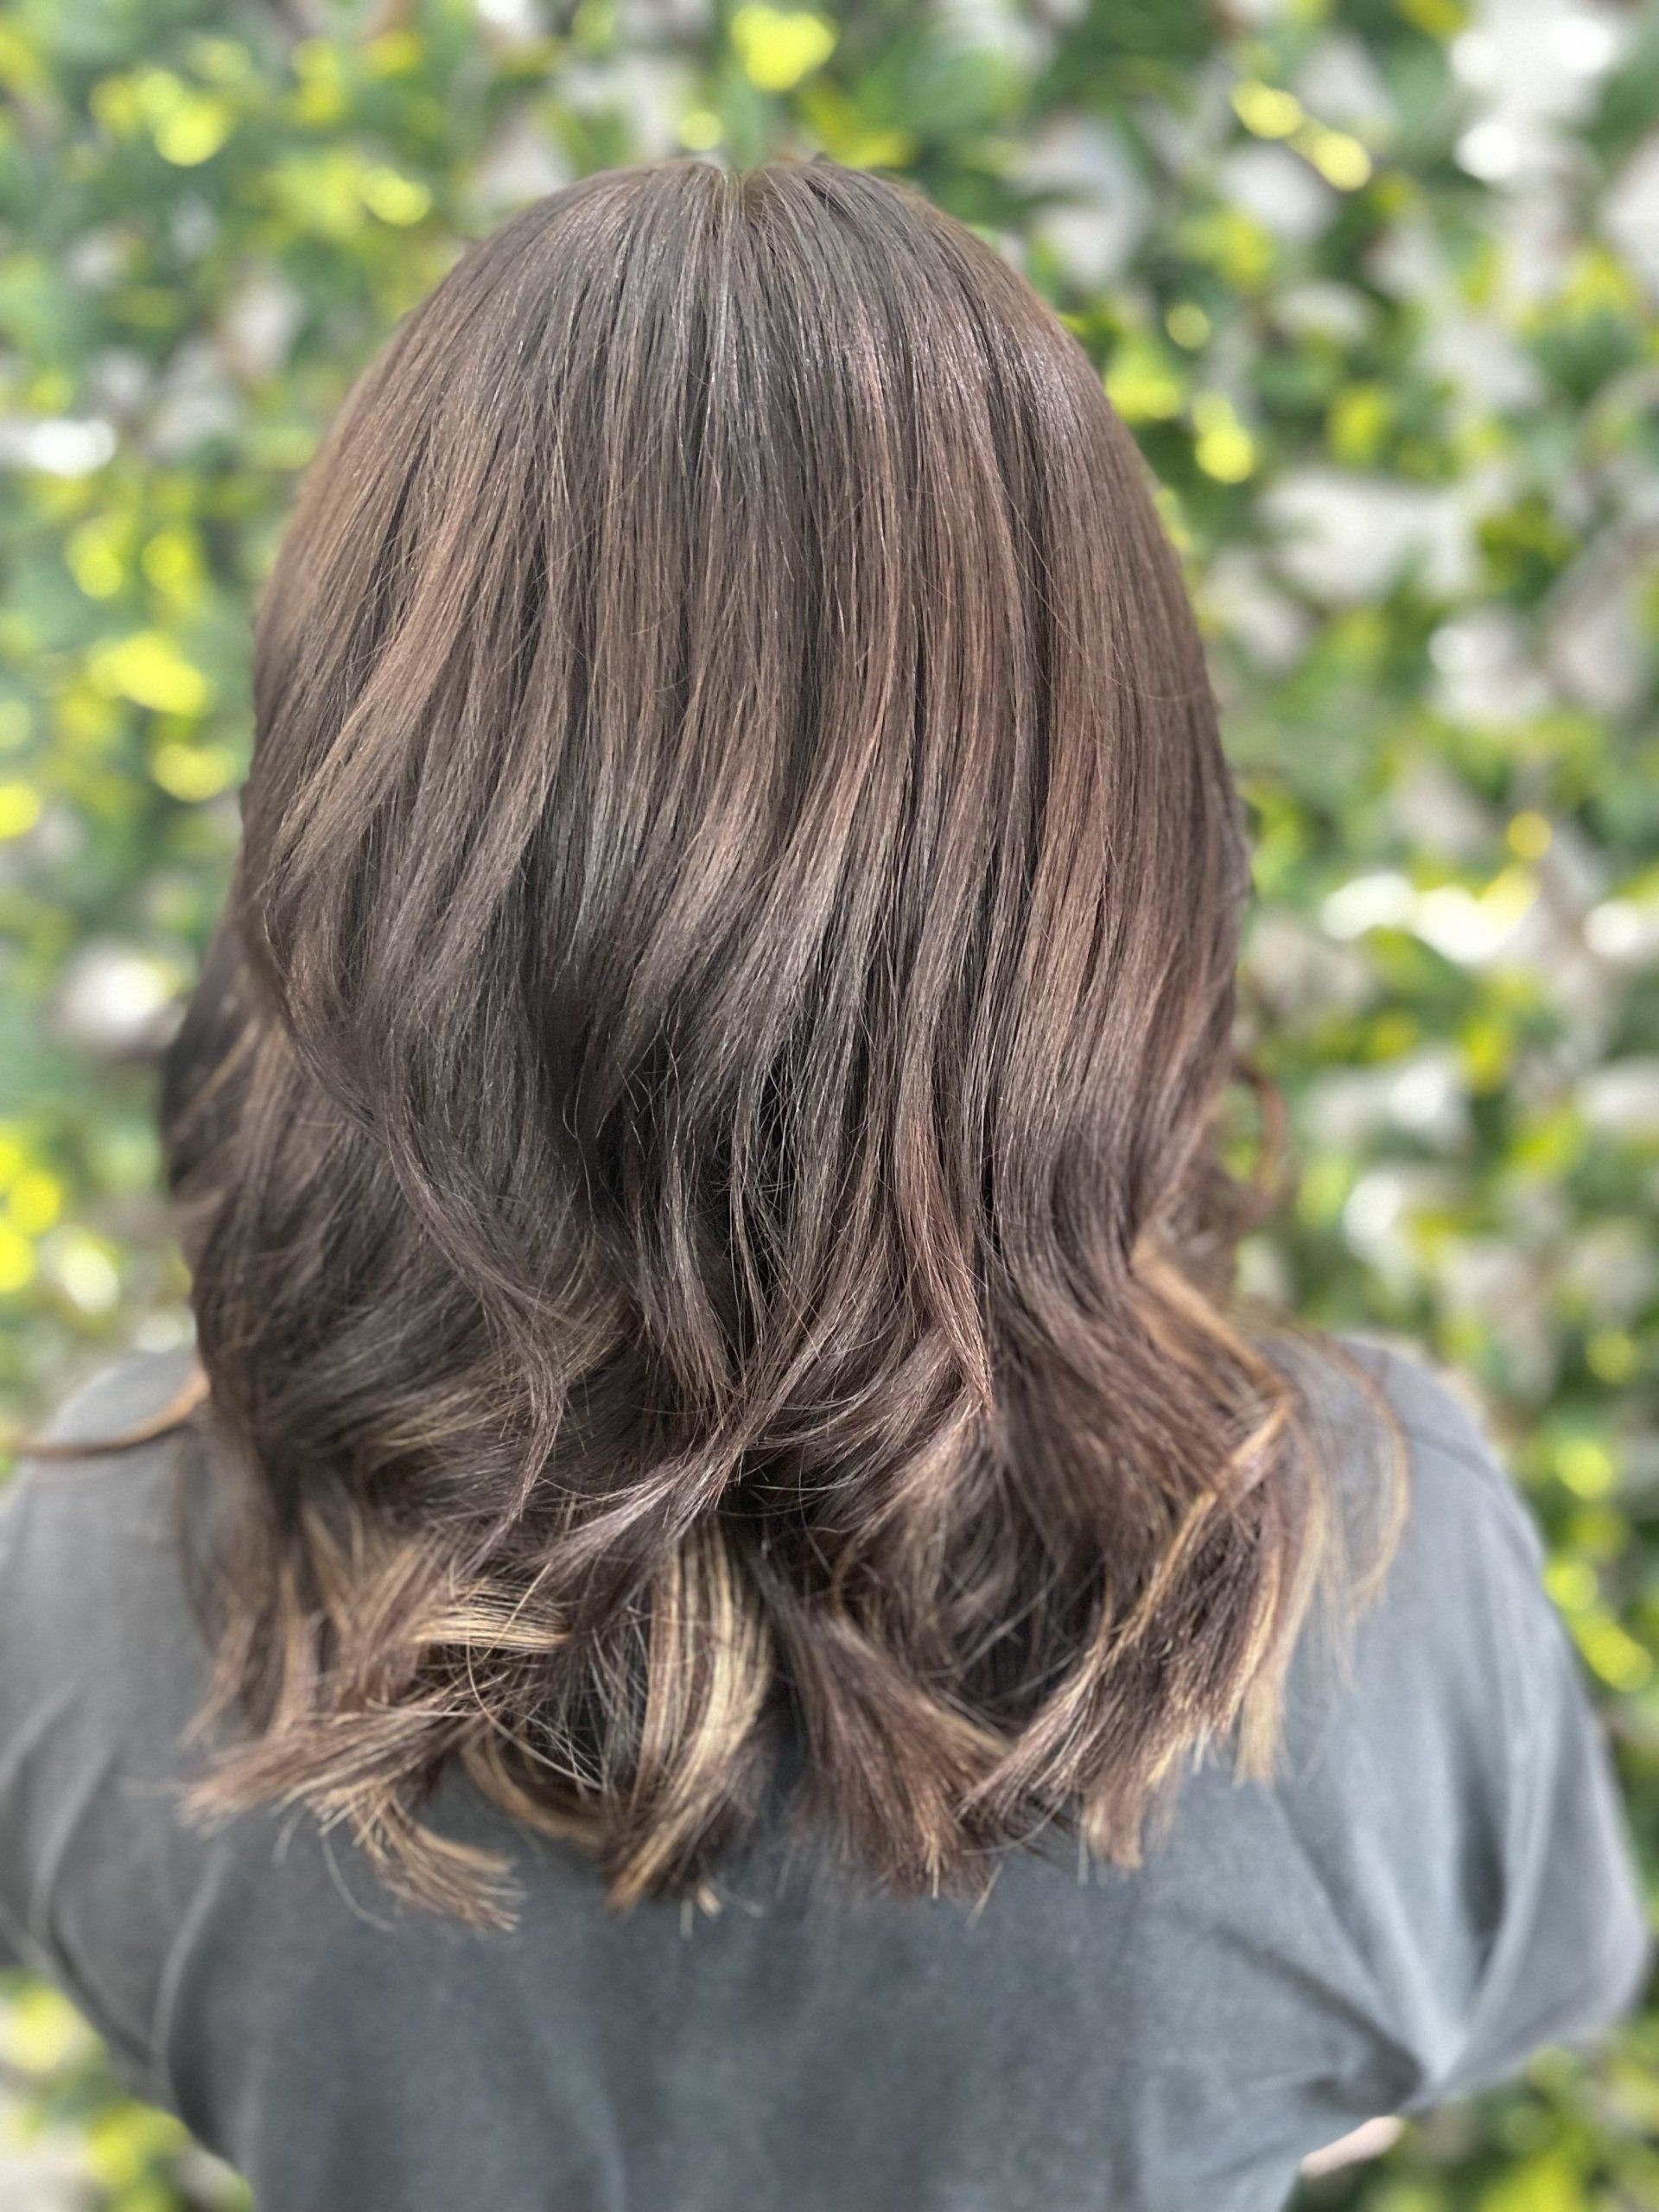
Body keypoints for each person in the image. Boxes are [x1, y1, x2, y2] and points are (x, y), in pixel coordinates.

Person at [0, 156, 1647, 2212]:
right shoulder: (1369, 1573)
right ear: (1113, 838)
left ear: (356, 822)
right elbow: (1417, 2052)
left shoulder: (81, 1581)